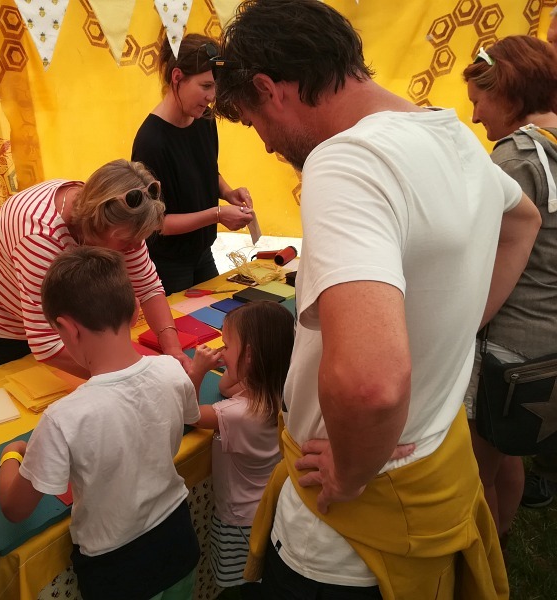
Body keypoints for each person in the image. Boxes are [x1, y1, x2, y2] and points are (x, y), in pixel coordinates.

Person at [212, 1, 542, 598]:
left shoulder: (346, 160)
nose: (265, 145)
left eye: (255, 122)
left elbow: (371, 385)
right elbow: (523, 221)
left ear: (268, 88)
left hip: (346, 538)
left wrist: (351, 471)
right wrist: (455, 322)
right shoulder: (449, 133)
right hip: (433, 466)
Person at [0, 246, 201, 600]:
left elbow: (15, 509)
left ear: (66, 328)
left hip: (116, 570)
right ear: (135, 311)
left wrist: (11, 455)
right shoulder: (173, 370)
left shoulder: (62, 418)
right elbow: (187, 419)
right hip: (179, 540)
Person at [0, 159, 190, 376]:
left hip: (55, 320)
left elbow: (147, 287)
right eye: (127, 241)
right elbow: (46, 344)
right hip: (0, 322)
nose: (136, 248)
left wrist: (173, 350)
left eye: (141, 238)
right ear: (95, 225)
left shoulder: (119, 217)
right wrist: (127, 378)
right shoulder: (39, 237)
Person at [463, 36, 557, 522]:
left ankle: (483, 556)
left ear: (506, 92)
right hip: (545, 332)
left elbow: (482, 252)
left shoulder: (516, 158)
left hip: (508, 340)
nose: (475, 115)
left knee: (475, 470)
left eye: (479, 101)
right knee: (508, 450)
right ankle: (499, 544)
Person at [131, 34, 254, 295]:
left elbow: (206, 169)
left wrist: (228, 193)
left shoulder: (204, 118)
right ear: (177, 77)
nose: (212, 96)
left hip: (202, 252)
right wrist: (217, 215)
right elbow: (157, 222)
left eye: (215, 86)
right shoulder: (151, 142)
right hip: (168, 265)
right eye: (205, 86)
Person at [188, 301, 294, 598]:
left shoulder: (237, 414)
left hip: (238, 521)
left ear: (248, 355)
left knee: (242, 585)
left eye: (226, 346)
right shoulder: (279, 389)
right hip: (267, 509)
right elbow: (225, 387)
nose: (221, 352)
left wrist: (197, 371)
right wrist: (236, 363)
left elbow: (188, 413)